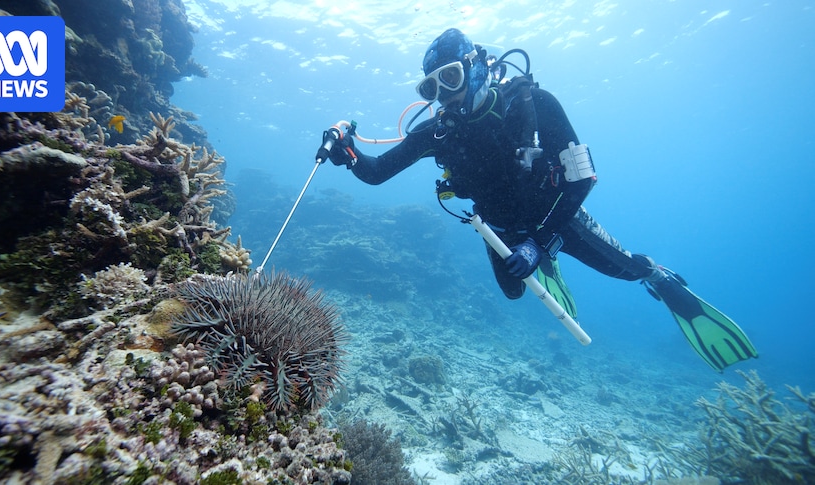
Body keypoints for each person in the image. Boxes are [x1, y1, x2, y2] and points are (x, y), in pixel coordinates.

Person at [321, 28, 756, 372]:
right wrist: (348, 152)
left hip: (556, 216)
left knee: (620, 270)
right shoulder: (437, 132)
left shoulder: (533, 105)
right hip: (497, 227)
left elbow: (582, 180)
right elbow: (376, 172)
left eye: (451, 78)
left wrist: (541, 242)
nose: (445, 95)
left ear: (477, 67)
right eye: (431, 88)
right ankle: (547, 263)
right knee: (513, 293)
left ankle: (657, 276)